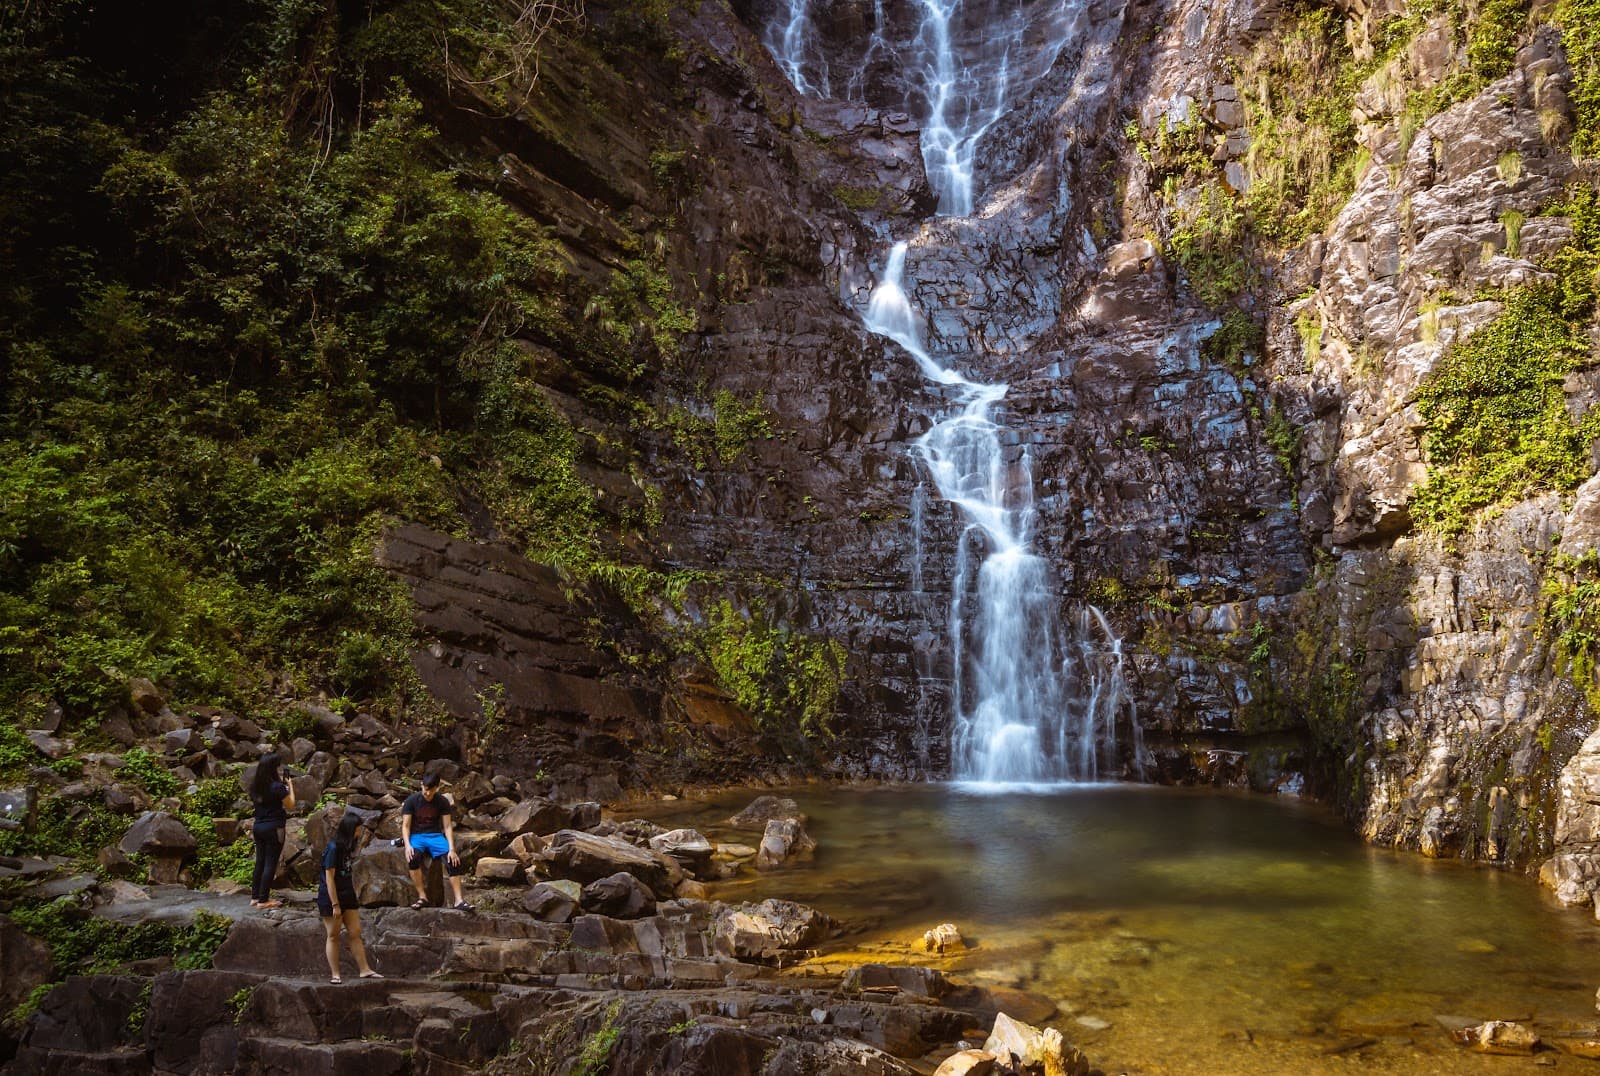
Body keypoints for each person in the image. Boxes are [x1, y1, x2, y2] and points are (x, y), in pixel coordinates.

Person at [318, 810, 382, 983]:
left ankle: (364, 969)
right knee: (333, 934)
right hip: (331, 896)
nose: (359, 833)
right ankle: (335, 974)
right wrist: (335, 905)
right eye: (357, 829)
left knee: (355, 932)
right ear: (350, 828)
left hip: (347, 893)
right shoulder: (333, 848)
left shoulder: (349, 845)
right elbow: (329, 878)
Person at [400, 771, 472, 910]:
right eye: (425, 789)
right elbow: (406, 826)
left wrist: (451, 849)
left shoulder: (442, 801)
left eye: (431, 790)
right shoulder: (412, 801)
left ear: (437, 788)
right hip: (417, 836)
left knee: (453, 861)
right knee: (413, 858)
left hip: (435, 836)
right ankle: (422, 897)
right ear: (421, 785)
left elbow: (447, 826)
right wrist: (408, 845)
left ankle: (459, 900)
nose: (428, 793)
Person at [248, 751, 295, 909]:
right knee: (270, 863)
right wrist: (290, 786)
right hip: (274, 827)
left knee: (260, 862)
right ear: (272, 768)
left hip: (258, 826)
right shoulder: (277, 787)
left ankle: (255, 897)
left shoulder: (255, 787)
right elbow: (290, 805)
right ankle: (263, 901)